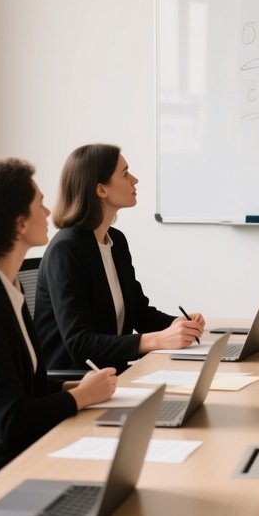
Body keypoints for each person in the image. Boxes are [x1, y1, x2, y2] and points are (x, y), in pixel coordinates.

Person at [0, 158, 117, 481]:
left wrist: (73, 386)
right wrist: (81, 396)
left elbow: (17, 384)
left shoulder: (3, 285)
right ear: (18, 223)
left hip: (18, 452)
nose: (47, 214)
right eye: (40, 204)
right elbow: (13, 419)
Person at [34, 144, 205, 373]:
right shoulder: (66, 250)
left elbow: (139, 313)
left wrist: (178, 324)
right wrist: (159, 340)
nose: (134, 180)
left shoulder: (115, 241)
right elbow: (79, 344)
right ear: (101, 190)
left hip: (113, 374)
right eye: (125, 174)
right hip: (78, 382)